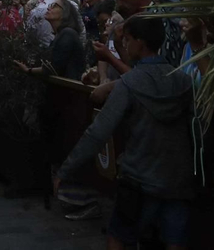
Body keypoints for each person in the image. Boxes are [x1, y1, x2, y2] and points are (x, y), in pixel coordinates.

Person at [54, 16, 195, 250]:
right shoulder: (182, 80)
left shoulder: (130, 83)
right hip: (176, 179)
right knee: (174, 242)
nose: (125, 45)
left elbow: (98, 132)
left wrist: (66, 169)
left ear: (140, 42)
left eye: (127, 40)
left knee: (118, 238)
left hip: (139, 178)